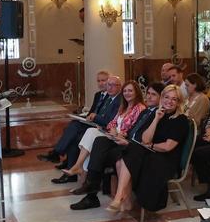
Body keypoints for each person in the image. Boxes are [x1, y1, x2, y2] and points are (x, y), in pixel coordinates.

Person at [69, 82, 162, 210]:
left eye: (154, 95)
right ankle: (91, 184)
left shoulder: (144, 109)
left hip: (133, 147)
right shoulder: (135, 109)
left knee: (98, 146)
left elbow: (139, 136)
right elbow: (121, 126)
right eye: (149, 94)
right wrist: (117, 133)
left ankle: (91, 188)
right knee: (99, 142)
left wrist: (123, 136)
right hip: (122, 140)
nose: (150, 97)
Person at [107, 84, 191, 213]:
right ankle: (125, 199)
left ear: (178, 102)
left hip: (166, 159)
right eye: (166, 97)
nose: (169, 101)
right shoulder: (156, 114)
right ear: (162, 98)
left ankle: (120, 198)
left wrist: (150, 146)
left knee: (130, 153)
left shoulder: (181, 120)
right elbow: (145, 139)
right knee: (121, 158)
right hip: (151, 153)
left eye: (174, 99)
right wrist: (156, 119)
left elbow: (168, 147)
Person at [53, 79, 145, 182]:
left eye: (130, 91)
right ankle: (82, 174)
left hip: (121, 138)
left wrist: (118, 133)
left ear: (136, 92)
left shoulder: (139, 108)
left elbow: (133, 128)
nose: (127, 93)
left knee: (91, 136)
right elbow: (112, 122)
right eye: (125, 91)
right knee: (89, 135)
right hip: (112, 133)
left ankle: (80, 170)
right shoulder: (124, 106)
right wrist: (113, 129)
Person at [42, 72, 122, 165]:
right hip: (93, 122)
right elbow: (92, 112)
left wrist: (94, 117)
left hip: (101, 126)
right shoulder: (101, 95)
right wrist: (84, 116)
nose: (101, 84)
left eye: (104, 81)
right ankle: (67, 163)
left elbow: (107, 119)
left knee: (75, 128)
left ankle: (59, 154)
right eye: (99, 81)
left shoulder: (115, 98)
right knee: (72, 127)